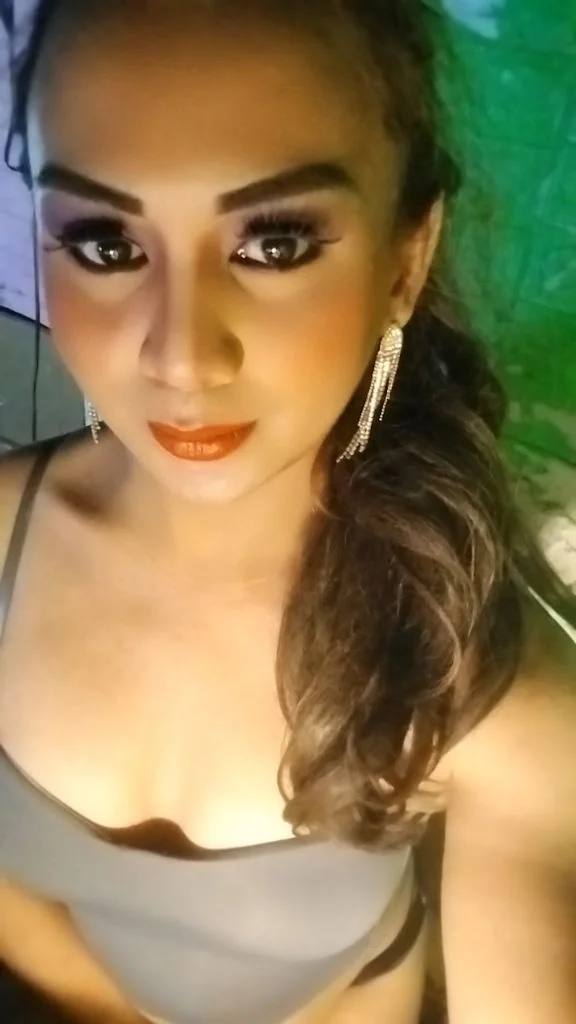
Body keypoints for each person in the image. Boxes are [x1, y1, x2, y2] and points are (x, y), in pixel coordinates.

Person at [0, 1, 574, 1022]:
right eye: (103, 242)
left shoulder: (483, 686)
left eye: (274, 243)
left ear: (406, 261)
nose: (181, 358)